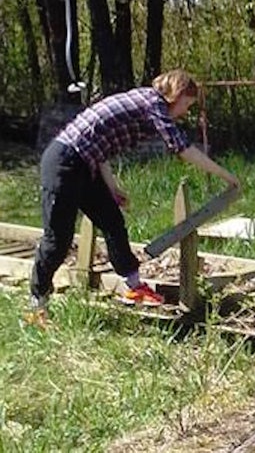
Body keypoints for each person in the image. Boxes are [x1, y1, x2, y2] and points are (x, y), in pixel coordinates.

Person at [27, 70, 240, 325]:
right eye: (186, 105)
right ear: (177, 95)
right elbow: (182, 148)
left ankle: (134, 285)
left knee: (113, 222)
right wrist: (226, 176)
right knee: (57, 238)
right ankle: (37, 304)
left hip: (86, 164)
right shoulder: (153, 104)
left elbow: (99, 146)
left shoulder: (143, 101)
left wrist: (112, 187)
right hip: (63, 162)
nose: (185, 112)